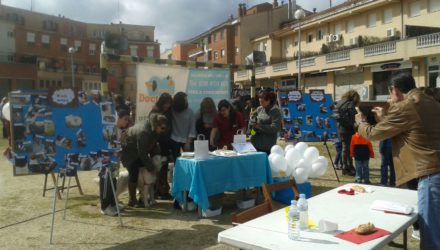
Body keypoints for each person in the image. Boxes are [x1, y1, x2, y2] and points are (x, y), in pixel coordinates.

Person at [356, 73, 440, 249]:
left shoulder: (405, 106)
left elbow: (374, 134)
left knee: (431, 236)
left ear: (395, 90)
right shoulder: (430, 102)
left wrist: (361, 123)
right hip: (434, 169)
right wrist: (385, 117)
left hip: (430, 175)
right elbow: (411, 128)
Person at [120, 113, 169, 207]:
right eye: (162, 128)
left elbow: (151, 145)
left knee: (144, 170)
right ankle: (132, 200)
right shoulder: (144, 132)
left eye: (165, 128)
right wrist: (151, 167)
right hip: (128, 150)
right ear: (156, 125)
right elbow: (142, 152)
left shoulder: (153, 129)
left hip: (137, 148)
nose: (164, 130)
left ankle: (143, 197)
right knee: (133, 171)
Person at [99, 109, 130, 216]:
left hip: (115, 159)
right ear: (118, 118)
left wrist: (122, 140)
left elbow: (119, 145)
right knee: (106, 181)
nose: (126, 122)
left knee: (113, 180)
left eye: (127, 119)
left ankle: (112, 203)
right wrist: (120, 140)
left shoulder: (119, 129)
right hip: (106, 159)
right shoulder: (109, 127)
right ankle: (104, 206)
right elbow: (109, 145)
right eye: (125, 119)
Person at [149, 93, 173, 199]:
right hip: (156, 143)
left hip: (166, 142)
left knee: (164, 167)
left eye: (169, 103)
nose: (167, 106)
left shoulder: (169, 112)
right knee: (156, 166)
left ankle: (163, 190)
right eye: (165, 103)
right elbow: (152, 128)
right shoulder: (154, 111)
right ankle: (155, 190)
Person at [335, 90, 360, 176]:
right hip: (347, 129)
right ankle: (347, 167)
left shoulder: (340, 102)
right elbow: (354, 115)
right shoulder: (350, 103)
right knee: (347, 149)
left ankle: (346, 166)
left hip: (340, 128)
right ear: (354, 96)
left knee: (345, 148)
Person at [249, 90, 282, 155]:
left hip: (267, 146)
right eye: (260, 101)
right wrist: (252, 127)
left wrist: (260, 126)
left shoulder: (275, 111)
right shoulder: (259, 109)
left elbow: (275, 128)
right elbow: (254, 128)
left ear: (269, 100)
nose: (261, 103)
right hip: (255, 144)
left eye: (262, 102)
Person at [170, 92, 196, 159]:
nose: (187, 101)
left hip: (186, 140)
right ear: (180, 102)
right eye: (185, 100)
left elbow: (192, 128)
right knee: (176, 159)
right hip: (174, 138)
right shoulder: (172, 110)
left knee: (188, 159)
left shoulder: (190, 112)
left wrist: (188, 142)